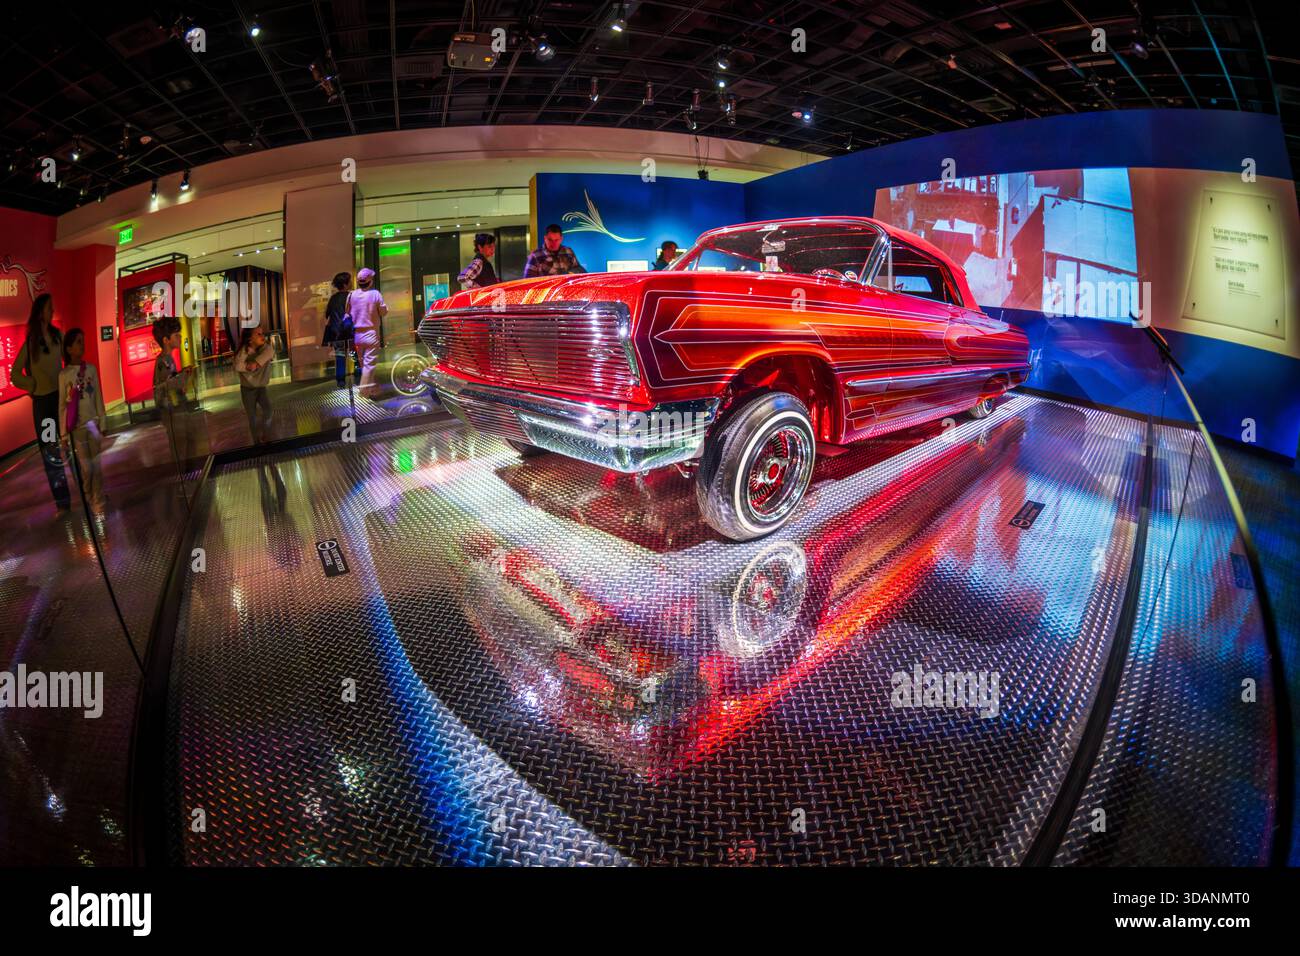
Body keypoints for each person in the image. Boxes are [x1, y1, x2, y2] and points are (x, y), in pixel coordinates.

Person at [7, 292, 70, 511]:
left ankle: (87, 489)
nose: (52, 310)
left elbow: (68, 361)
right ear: (40, 312)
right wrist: (32, 385)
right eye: (49, 307)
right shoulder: (31, 342)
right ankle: (62, 502)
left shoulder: (57, 336)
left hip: (61, 400)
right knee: (51, 454)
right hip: (43, 406)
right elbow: (14, 373)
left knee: (72, 445)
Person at [57, 328, 108, 507]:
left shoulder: (91, 370)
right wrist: (63, 436)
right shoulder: (64, 375)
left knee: (97, 463)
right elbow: (62, 406)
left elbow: (98, 397)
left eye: (82, 341)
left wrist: (103, 420)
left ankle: (98, 498)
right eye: (78, 342)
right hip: (77, 428)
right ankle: (88, 494)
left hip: (93, 424)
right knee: (86, 467)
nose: (82, 345)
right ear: (69, 348)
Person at [152, 316, 193, 465]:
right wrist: (184, 376)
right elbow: (167, 384)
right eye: (176, 335)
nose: (180, 337)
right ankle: (182, 474)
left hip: (174, 409)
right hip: (172, 412)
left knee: (181, 443)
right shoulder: (163, 361)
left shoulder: (168, 359)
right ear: (166, 340)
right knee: (179, 445)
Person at [349, 267, 387, 398]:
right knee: (369, 365)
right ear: (370, 281)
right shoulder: (375, 294)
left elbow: (347, 313)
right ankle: (364, 392)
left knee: (365, 365)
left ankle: (373, 389)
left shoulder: (352, 295)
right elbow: (383, 312)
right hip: (371, 334)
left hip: (357, 336)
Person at [233, 326, 276, 444]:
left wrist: (256, 364)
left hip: (261, 388)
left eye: (262, 333)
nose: (262, 336)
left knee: (268, 411)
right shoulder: (244, 351)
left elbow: (270, 352)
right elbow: (237, 366)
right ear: (250, 339)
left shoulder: (266, 348)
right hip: (247, 389)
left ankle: (265, 435)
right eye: (258, 334)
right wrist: (248, 364)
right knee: (252, 417)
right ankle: (256, 442)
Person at [322, 272, 360, 387]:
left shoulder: (333, 298)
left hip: (336, 333)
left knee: (340, 356)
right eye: (349, 281)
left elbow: (327, 314)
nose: (351, 283)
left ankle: (340, 380)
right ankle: (358, 374)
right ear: (345, 284)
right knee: (354, 353)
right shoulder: (352, 296)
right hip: (350, 331)